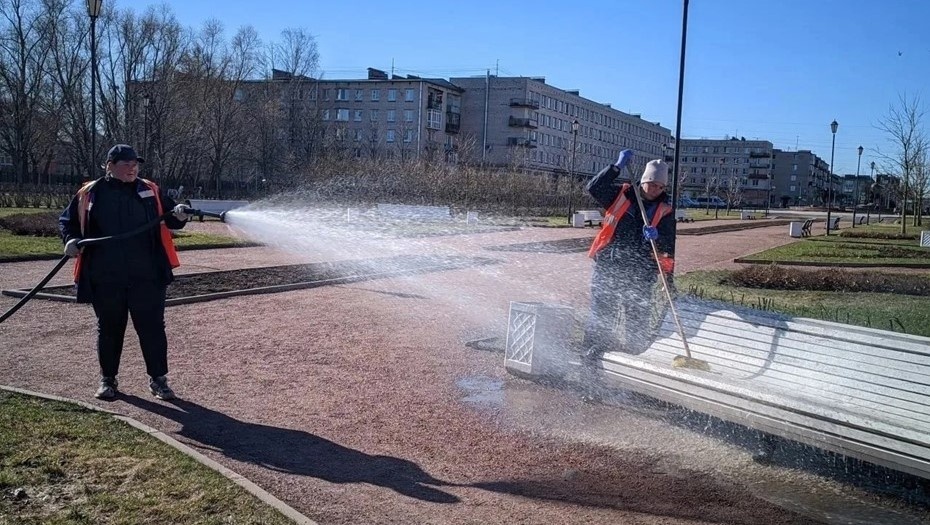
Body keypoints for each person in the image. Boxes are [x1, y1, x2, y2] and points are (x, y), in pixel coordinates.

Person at [59, 144, 192, 400]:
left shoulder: (149, 190)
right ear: (109, 166)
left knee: (152, 328)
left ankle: (158, 380)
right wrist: (70, 239)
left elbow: (171, 217)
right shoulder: (90, 193)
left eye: (135, 165)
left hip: (147, 276)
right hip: (106, 276)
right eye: (125, 164)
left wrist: (180, 214)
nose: (132, 169)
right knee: (109, 327)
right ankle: (108, 380)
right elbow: (68, 222)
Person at [580, 150, 676, 391]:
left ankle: (631, 376)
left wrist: (667, 274)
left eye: (660, 186)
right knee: (601, 320)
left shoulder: (665, 212)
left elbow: (667, 251)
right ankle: (590, 376)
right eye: (651, 183)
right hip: (609, 268)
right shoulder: (620, 194)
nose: (654, 189)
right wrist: (616, 167)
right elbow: (593, 188)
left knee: (636, 323)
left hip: (640, 274)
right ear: (643, 181)